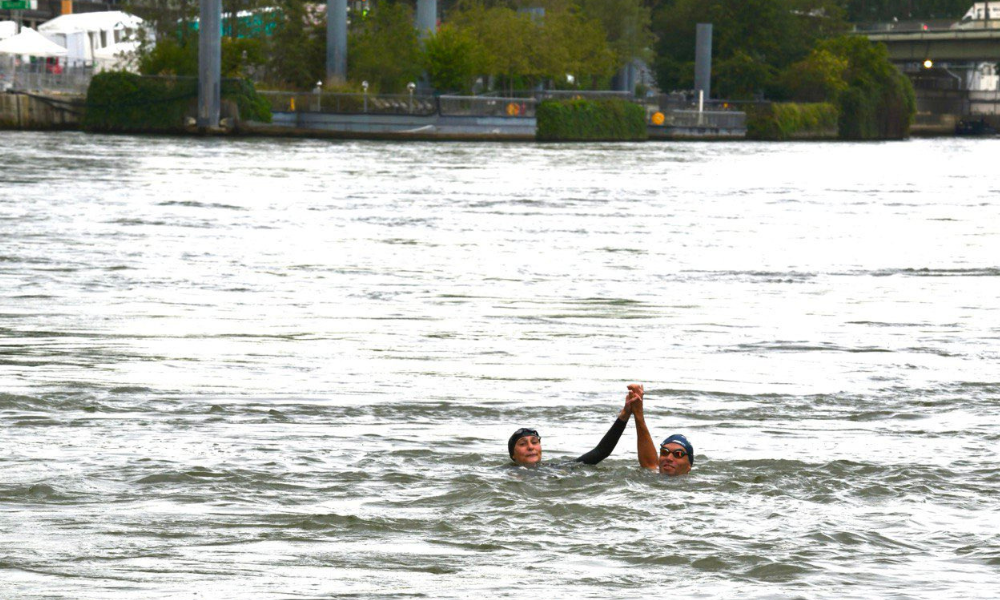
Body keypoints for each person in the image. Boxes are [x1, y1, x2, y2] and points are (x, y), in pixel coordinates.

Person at [508, 393, 633, 467]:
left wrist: (624, 416)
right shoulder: (505, 474)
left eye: (534, 442)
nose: (531, 447)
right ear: (513, 455)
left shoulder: (555, 468)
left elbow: (601, 452)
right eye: (523, 444)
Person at [627, 384, 694, 476]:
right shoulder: (653, 477)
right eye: (664, 452)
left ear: (688, 466)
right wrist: (637, 412)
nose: (669, 458)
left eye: (678, 454)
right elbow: (649, 464)